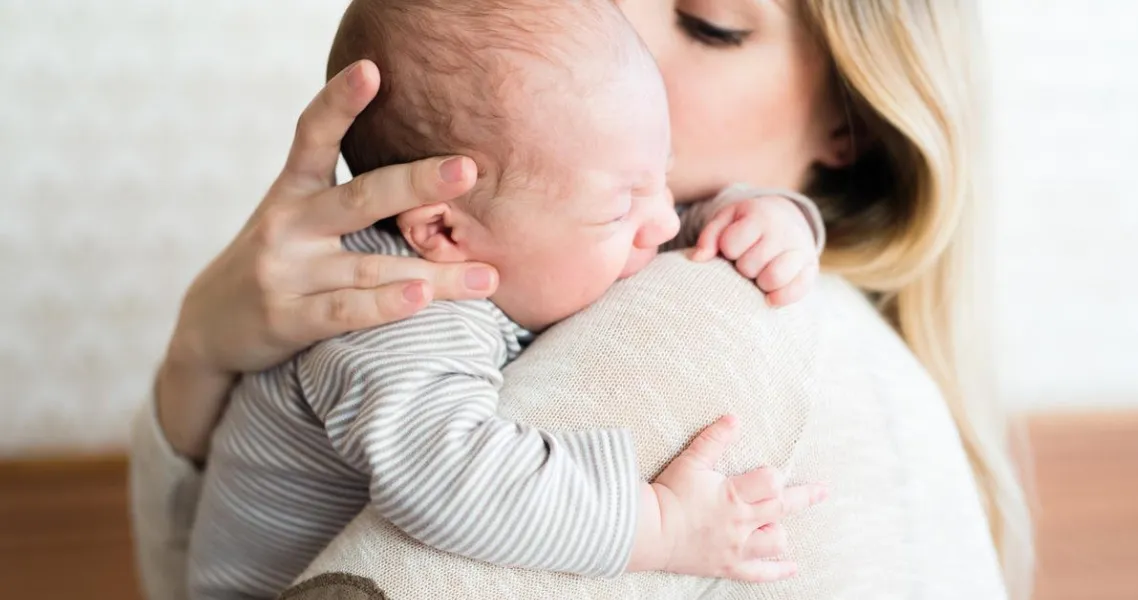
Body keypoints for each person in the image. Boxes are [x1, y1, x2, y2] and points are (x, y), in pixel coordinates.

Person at [130, 0, 1033, 598]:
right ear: (444, 227)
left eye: (707, 21)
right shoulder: (411, 310)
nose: (619, 34)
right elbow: (441, 492)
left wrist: (779, 220)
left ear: (852, 120)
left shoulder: (731, 313)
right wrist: (202, 353)